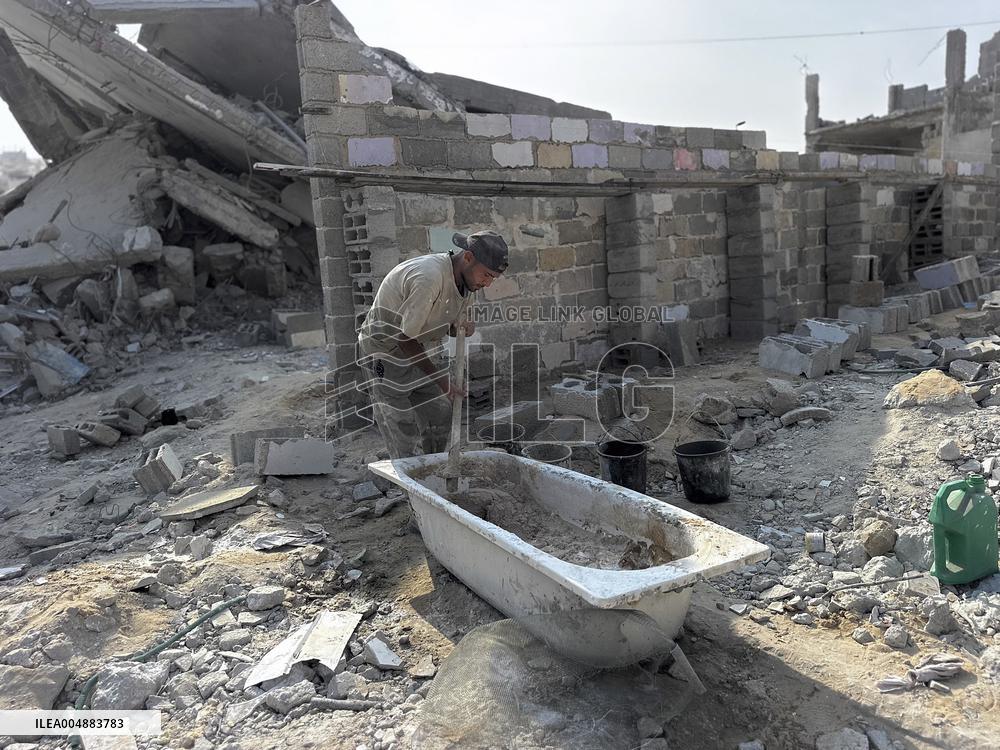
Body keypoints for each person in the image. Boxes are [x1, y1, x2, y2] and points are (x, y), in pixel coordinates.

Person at [357, 230, 509, 459]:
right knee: (401, 424)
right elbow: (404, 338)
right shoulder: (428, 278)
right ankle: (407, 479)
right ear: (467, 257)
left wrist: (459, 327)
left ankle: (431, 464)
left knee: (439, 412)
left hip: (418, 349)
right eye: (486, 275)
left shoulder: (468, 283)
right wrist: (442, 380)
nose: (487, 283)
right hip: (384, 351)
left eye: (492, 279)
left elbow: (440, 320)